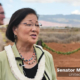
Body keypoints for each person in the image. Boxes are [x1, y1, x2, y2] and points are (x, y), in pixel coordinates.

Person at [0, 8, 57, 80]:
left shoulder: (47, 57)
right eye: (29, 24)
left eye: (37, 25)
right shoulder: (2, 59)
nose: (34, 29)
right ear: (15, 29)